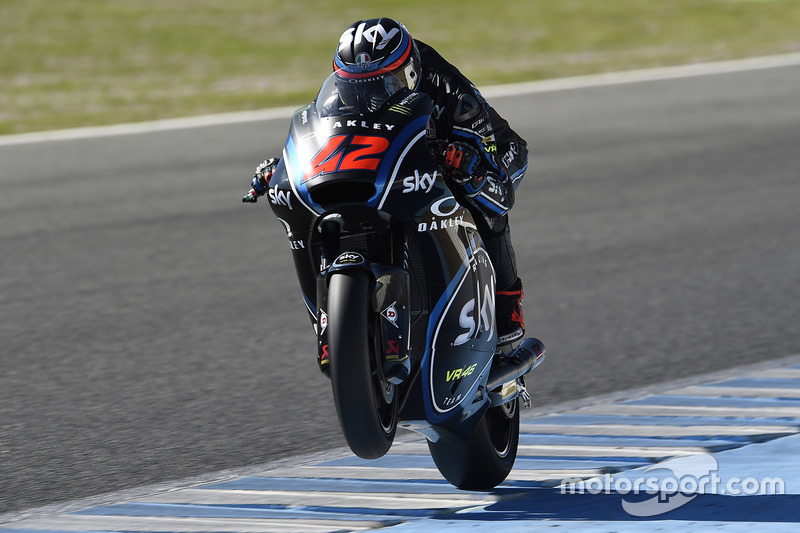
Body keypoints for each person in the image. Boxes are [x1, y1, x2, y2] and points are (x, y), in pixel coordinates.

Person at [245, 18, 529, 345]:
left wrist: (471, 165)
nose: (368, 92)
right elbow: (328, 139)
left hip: (488, 147)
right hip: (392, 155)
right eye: (355, 83)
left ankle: (508, 304)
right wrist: (285, 166)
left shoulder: (449, 91)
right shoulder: (346, 87)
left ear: (409, 72)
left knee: (485, 202)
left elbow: (498, 175)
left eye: (384, 82)